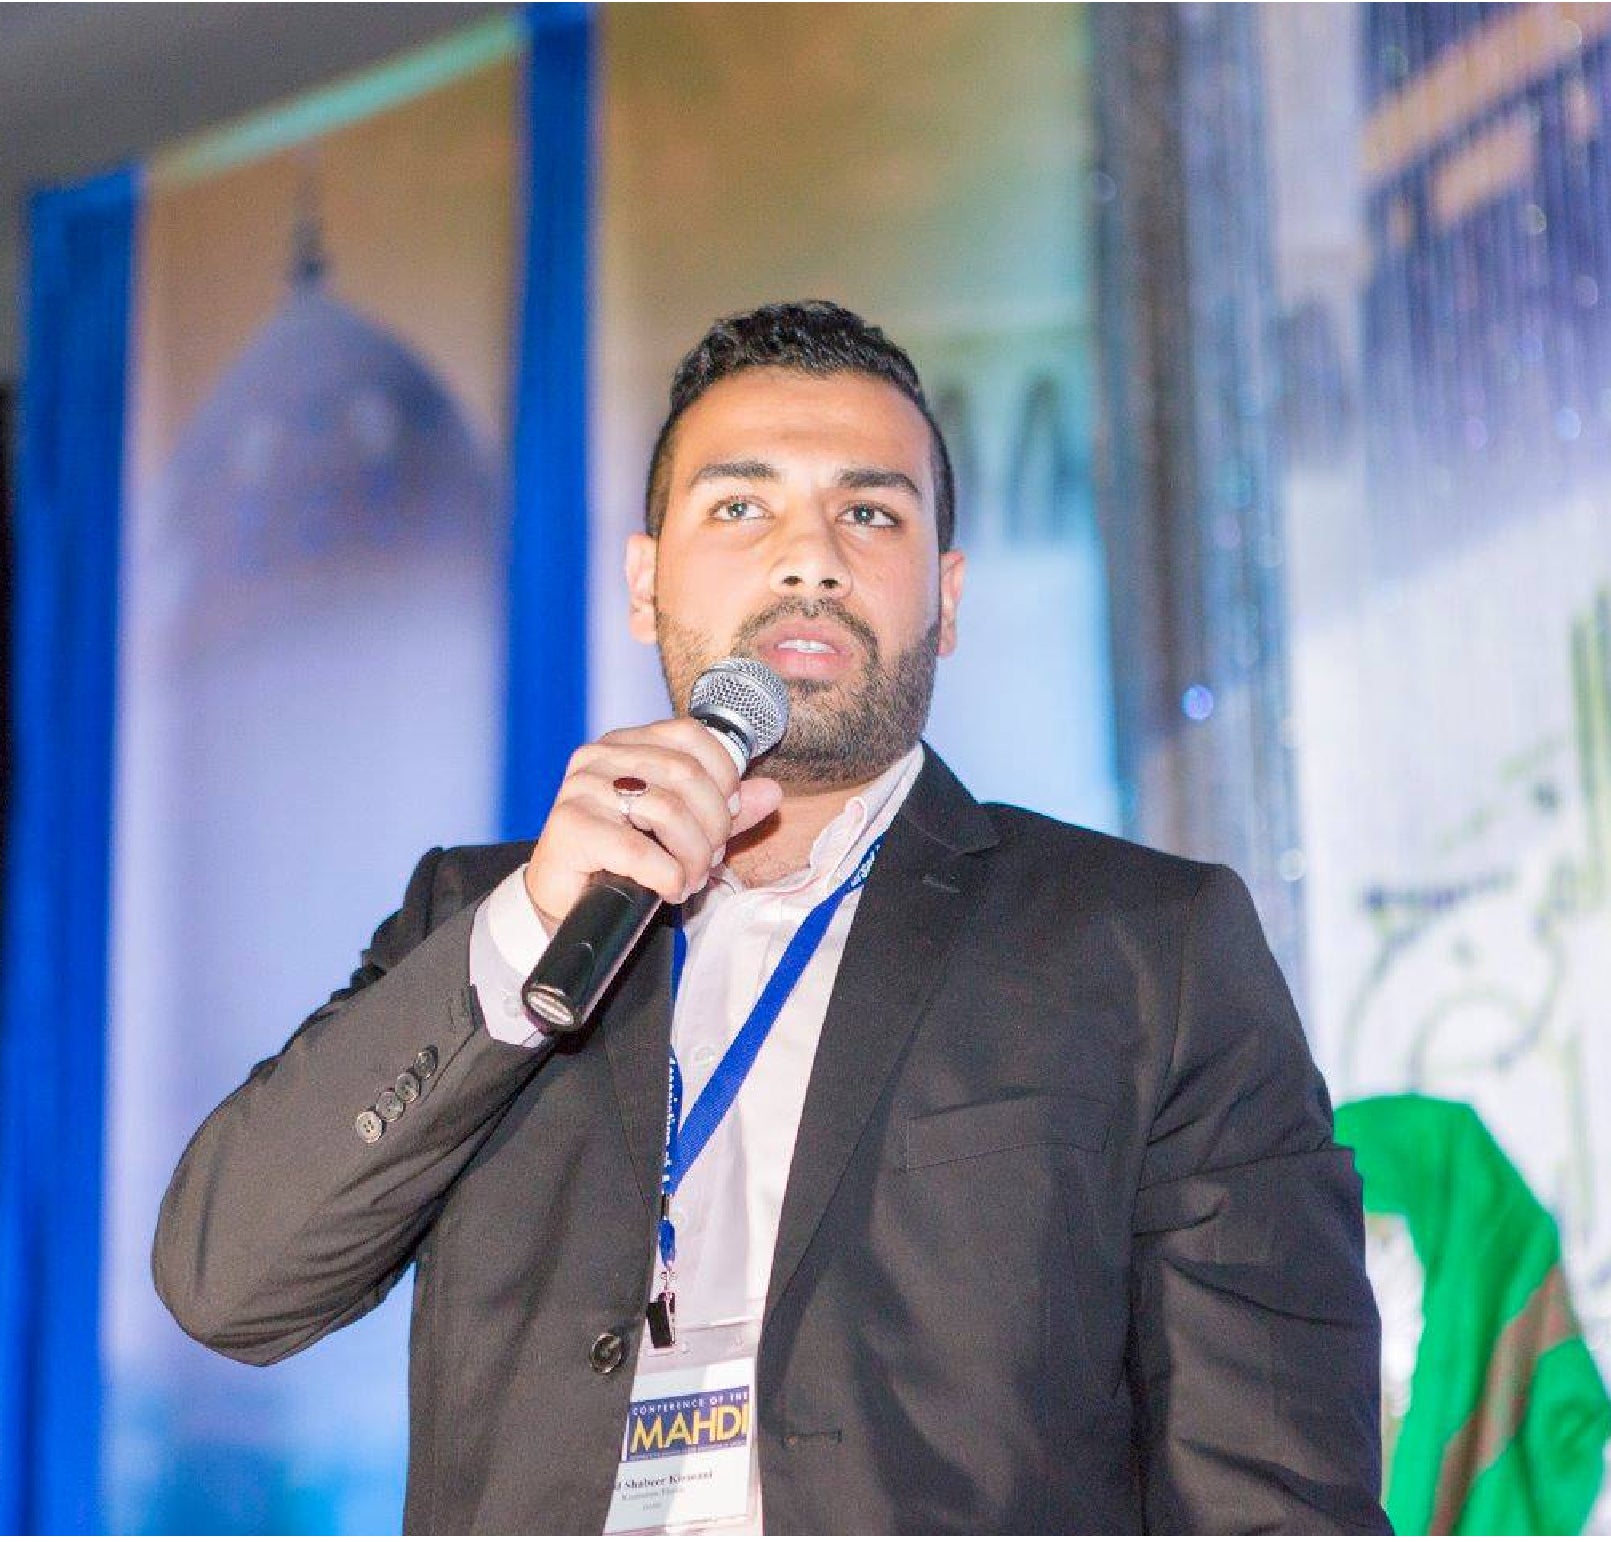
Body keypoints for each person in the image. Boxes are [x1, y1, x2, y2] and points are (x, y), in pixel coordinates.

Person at [154, 300, 1389, 1535]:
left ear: (948, 597)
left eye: (871, 514)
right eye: (741, 508)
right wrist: (528, 933)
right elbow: (226, 1284)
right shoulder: (482, 920)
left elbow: (1274, 1492)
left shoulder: (1145, 946)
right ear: (645, 582)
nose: (810, 560)